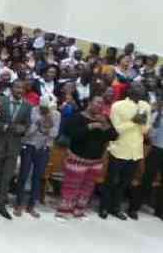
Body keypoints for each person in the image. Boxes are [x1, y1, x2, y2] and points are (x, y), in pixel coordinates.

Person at [57, 95, 116, 219]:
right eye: (97, 102)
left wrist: (105, 123)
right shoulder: (78, 117)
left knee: (87, 187)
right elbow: (72, 134)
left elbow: (114, 136)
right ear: (89, 103)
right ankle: (63, 211)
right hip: (77, 158)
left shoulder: (104, 119)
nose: (99, 106)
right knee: (71, 185)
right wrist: (90, 126)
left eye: (101, 104)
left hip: (95, 161)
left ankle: (79, 211)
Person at [0, 80, 32, 220]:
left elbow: (27, 124)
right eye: (17, 87)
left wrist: (23, 129)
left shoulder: (28, 106)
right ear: (12, 88)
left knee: (6, 177)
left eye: (22, 87)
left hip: (14, 146)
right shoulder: (0, 100)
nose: (19, 90)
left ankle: (0, 205)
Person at [104, 82, 150, 220]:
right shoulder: (118, 106)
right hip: (119, 148)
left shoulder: (145, 106)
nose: (141, 89)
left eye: (142, 87)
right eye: (137, 86)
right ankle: (104, 207)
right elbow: (116, 128)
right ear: (129, 90)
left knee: (124, 183)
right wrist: (134, 121)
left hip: (135, 151)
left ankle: (116, 208)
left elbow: (145, 130)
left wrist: (142, 124)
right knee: (111, 181)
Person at [14, 94, 60, 218]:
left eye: (48, 109)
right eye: (44, 108)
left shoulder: (56, 114)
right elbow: (27, 133)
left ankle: (31, 206)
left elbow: (54, 134)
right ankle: (18, 204)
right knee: (23, 175)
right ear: (40, 105)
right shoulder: (32, 111)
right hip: (29, 145)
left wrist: (48, 126)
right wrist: (39, 124)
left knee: (37, 177)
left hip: (44, 148)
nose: (46, 111)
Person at [138, 99, 163, 222]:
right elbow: (147, 133)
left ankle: (160, 211)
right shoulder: (155, 115)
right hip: (156, 150)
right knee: (147, 178)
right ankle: (135, 206)